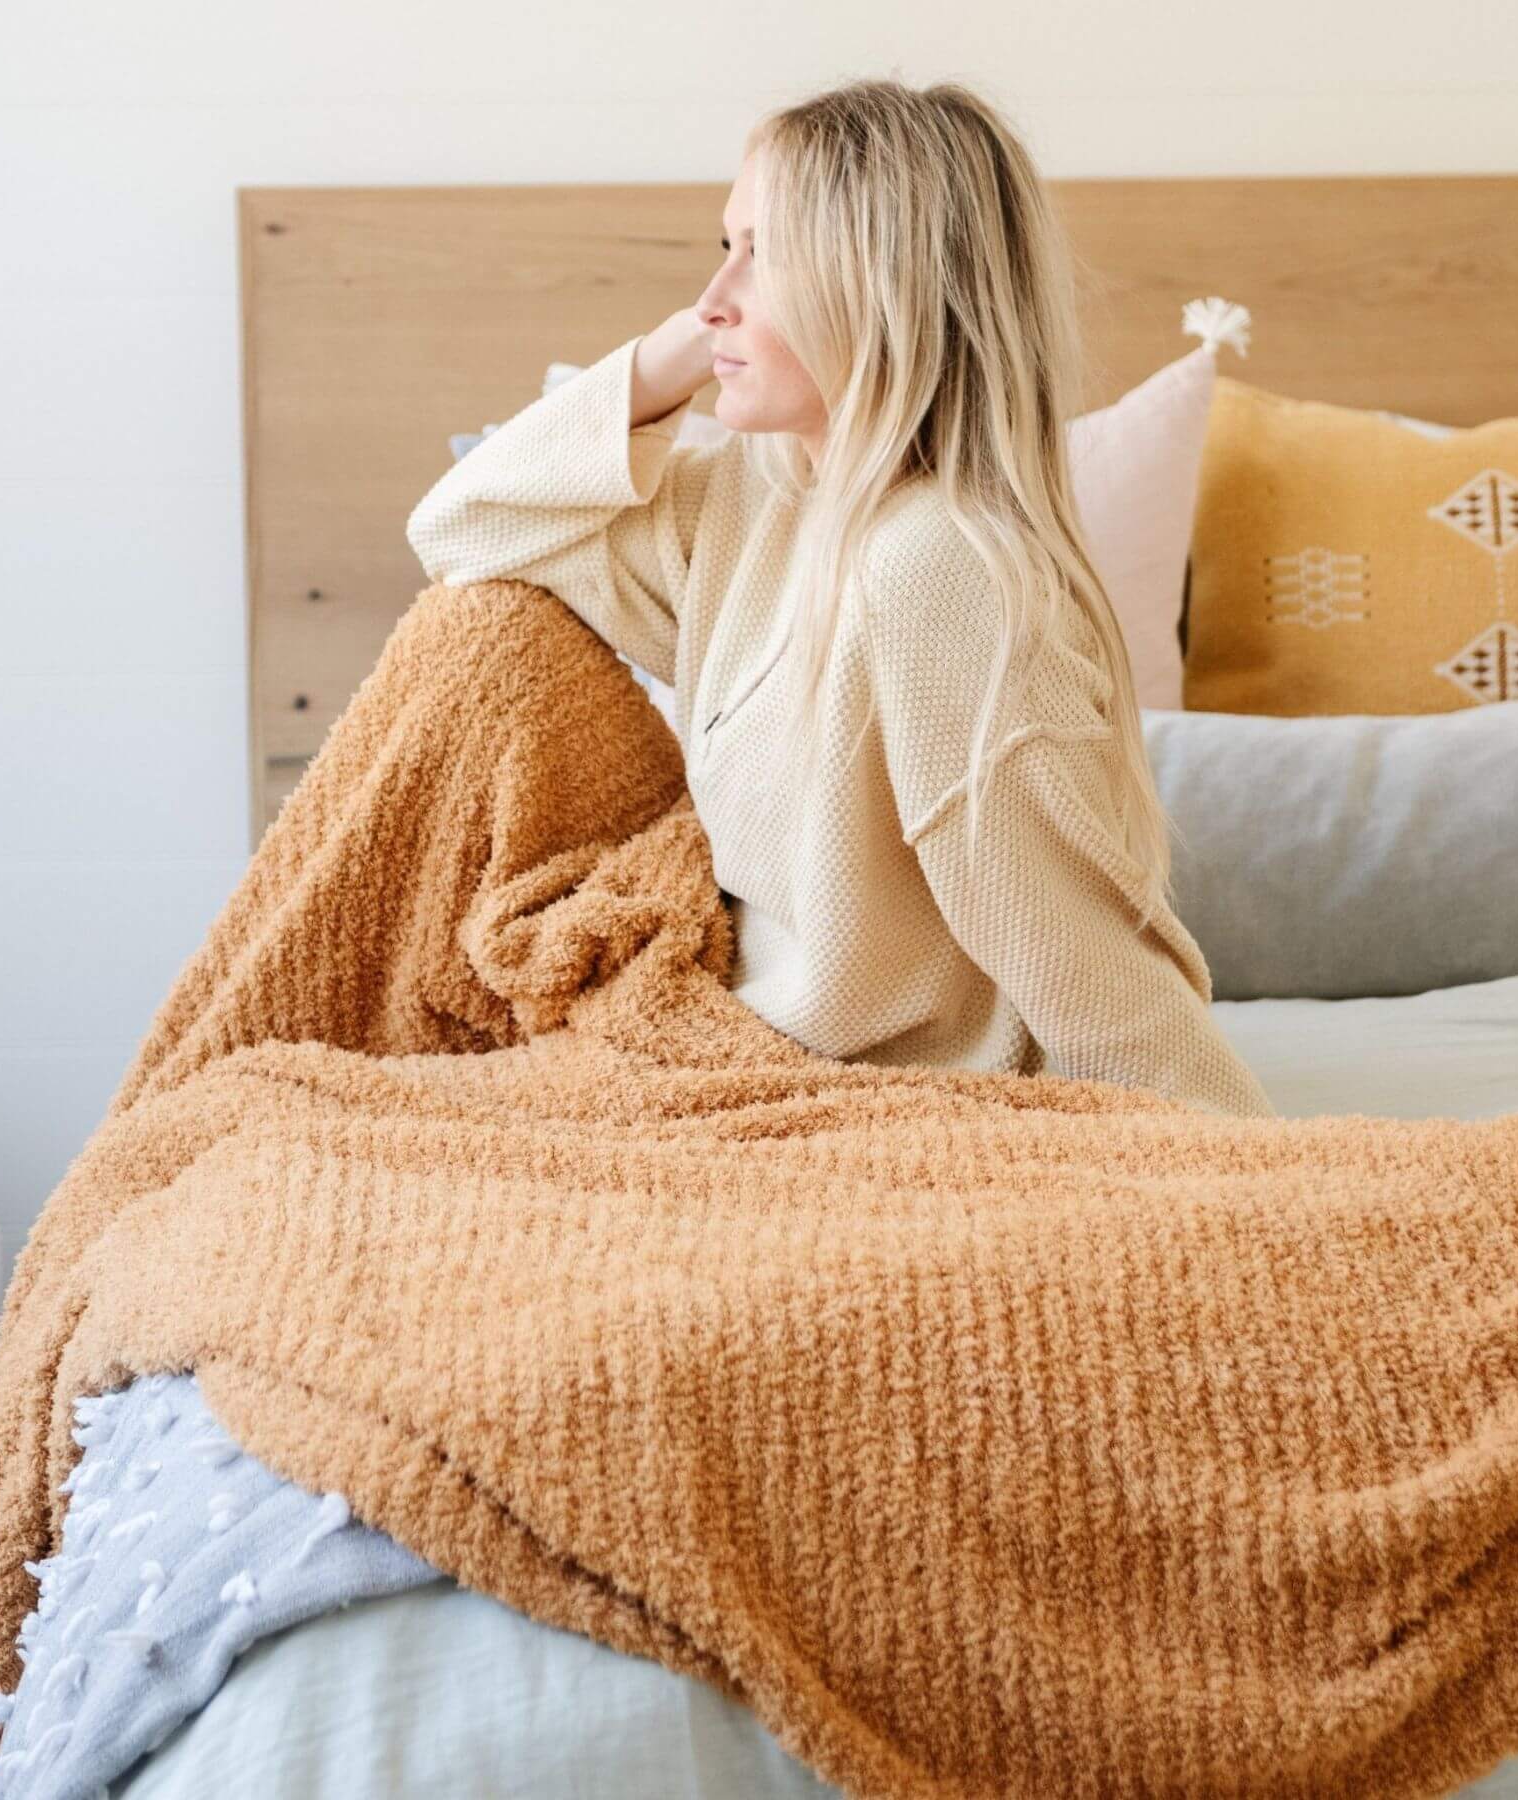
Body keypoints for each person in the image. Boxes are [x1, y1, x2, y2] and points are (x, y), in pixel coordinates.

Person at [406, 77, 1276, 1119]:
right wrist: (675, 356)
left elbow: (1071, 943)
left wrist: (1246, 1160)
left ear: (881, 286)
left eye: (763, 255)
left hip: (898, 1100)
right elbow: (462, 529)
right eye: (723, 246)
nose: (714, 295)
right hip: (741, 1044)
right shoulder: (751, 504)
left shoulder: (941, 574)